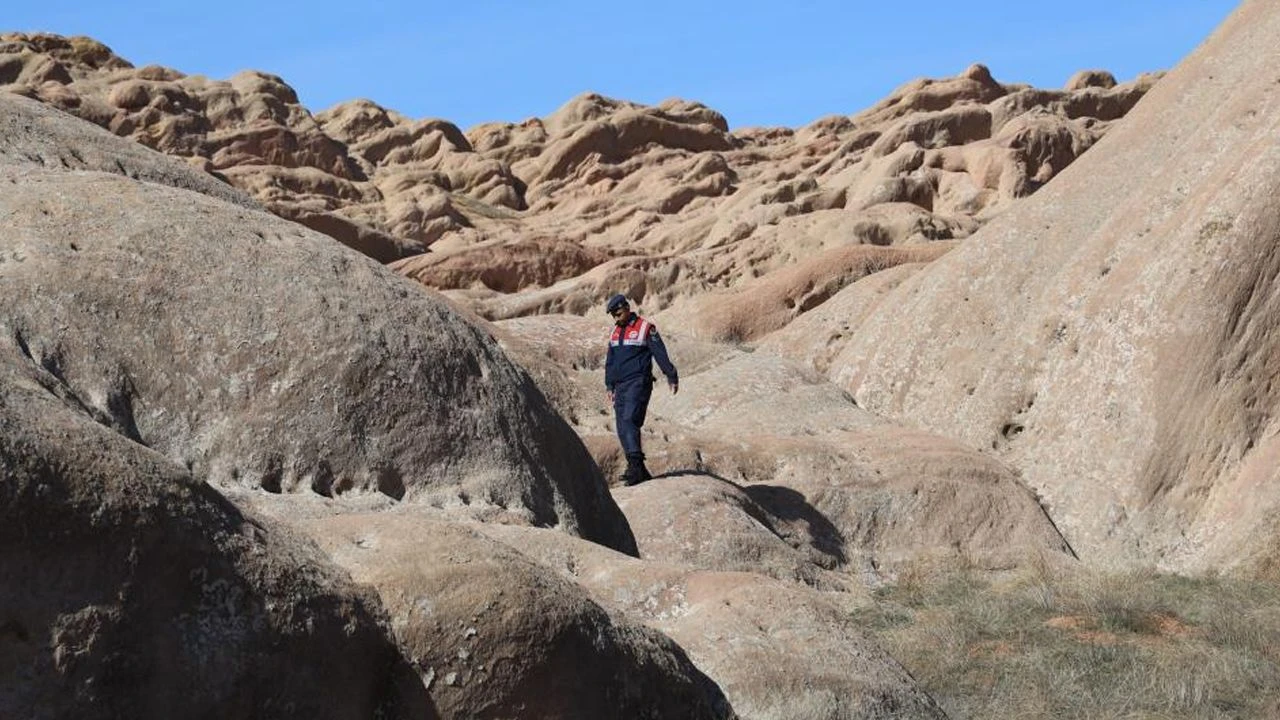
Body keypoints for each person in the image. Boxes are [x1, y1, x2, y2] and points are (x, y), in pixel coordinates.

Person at [603, 293, 678, 486]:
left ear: (626, 308)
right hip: (620, 385)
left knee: (630, 419)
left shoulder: (645, 328)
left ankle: (635, 468)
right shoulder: (615, 332)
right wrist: (609, 384)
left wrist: (670, 374)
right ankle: (639, 470)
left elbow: (659, 352)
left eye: (618, 313)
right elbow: (610, 361)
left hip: (639, 381)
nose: (616, 317)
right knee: (621, 426)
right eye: (613, 315)